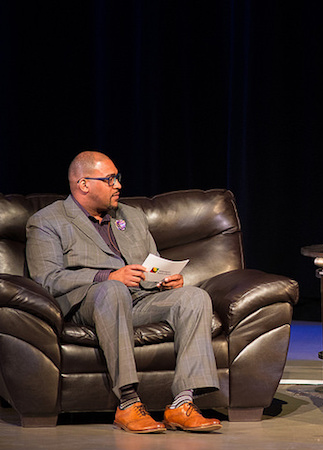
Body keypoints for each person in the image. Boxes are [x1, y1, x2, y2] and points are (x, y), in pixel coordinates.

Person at [26, 151, 222, 434]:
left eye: (118, 178)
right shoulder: (47, 221)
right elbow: (47, 279)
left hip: (137, 299)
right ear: (83, 184)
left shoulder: (131, 216)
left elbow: (150, 264)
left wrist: (163, 280)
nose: (118, 185)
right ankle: (129, 403)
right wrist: (107, 276)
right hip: (87, 301)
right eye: (110, 179)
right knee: (113, 290)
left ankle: (182, 403)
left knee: (194, 297)